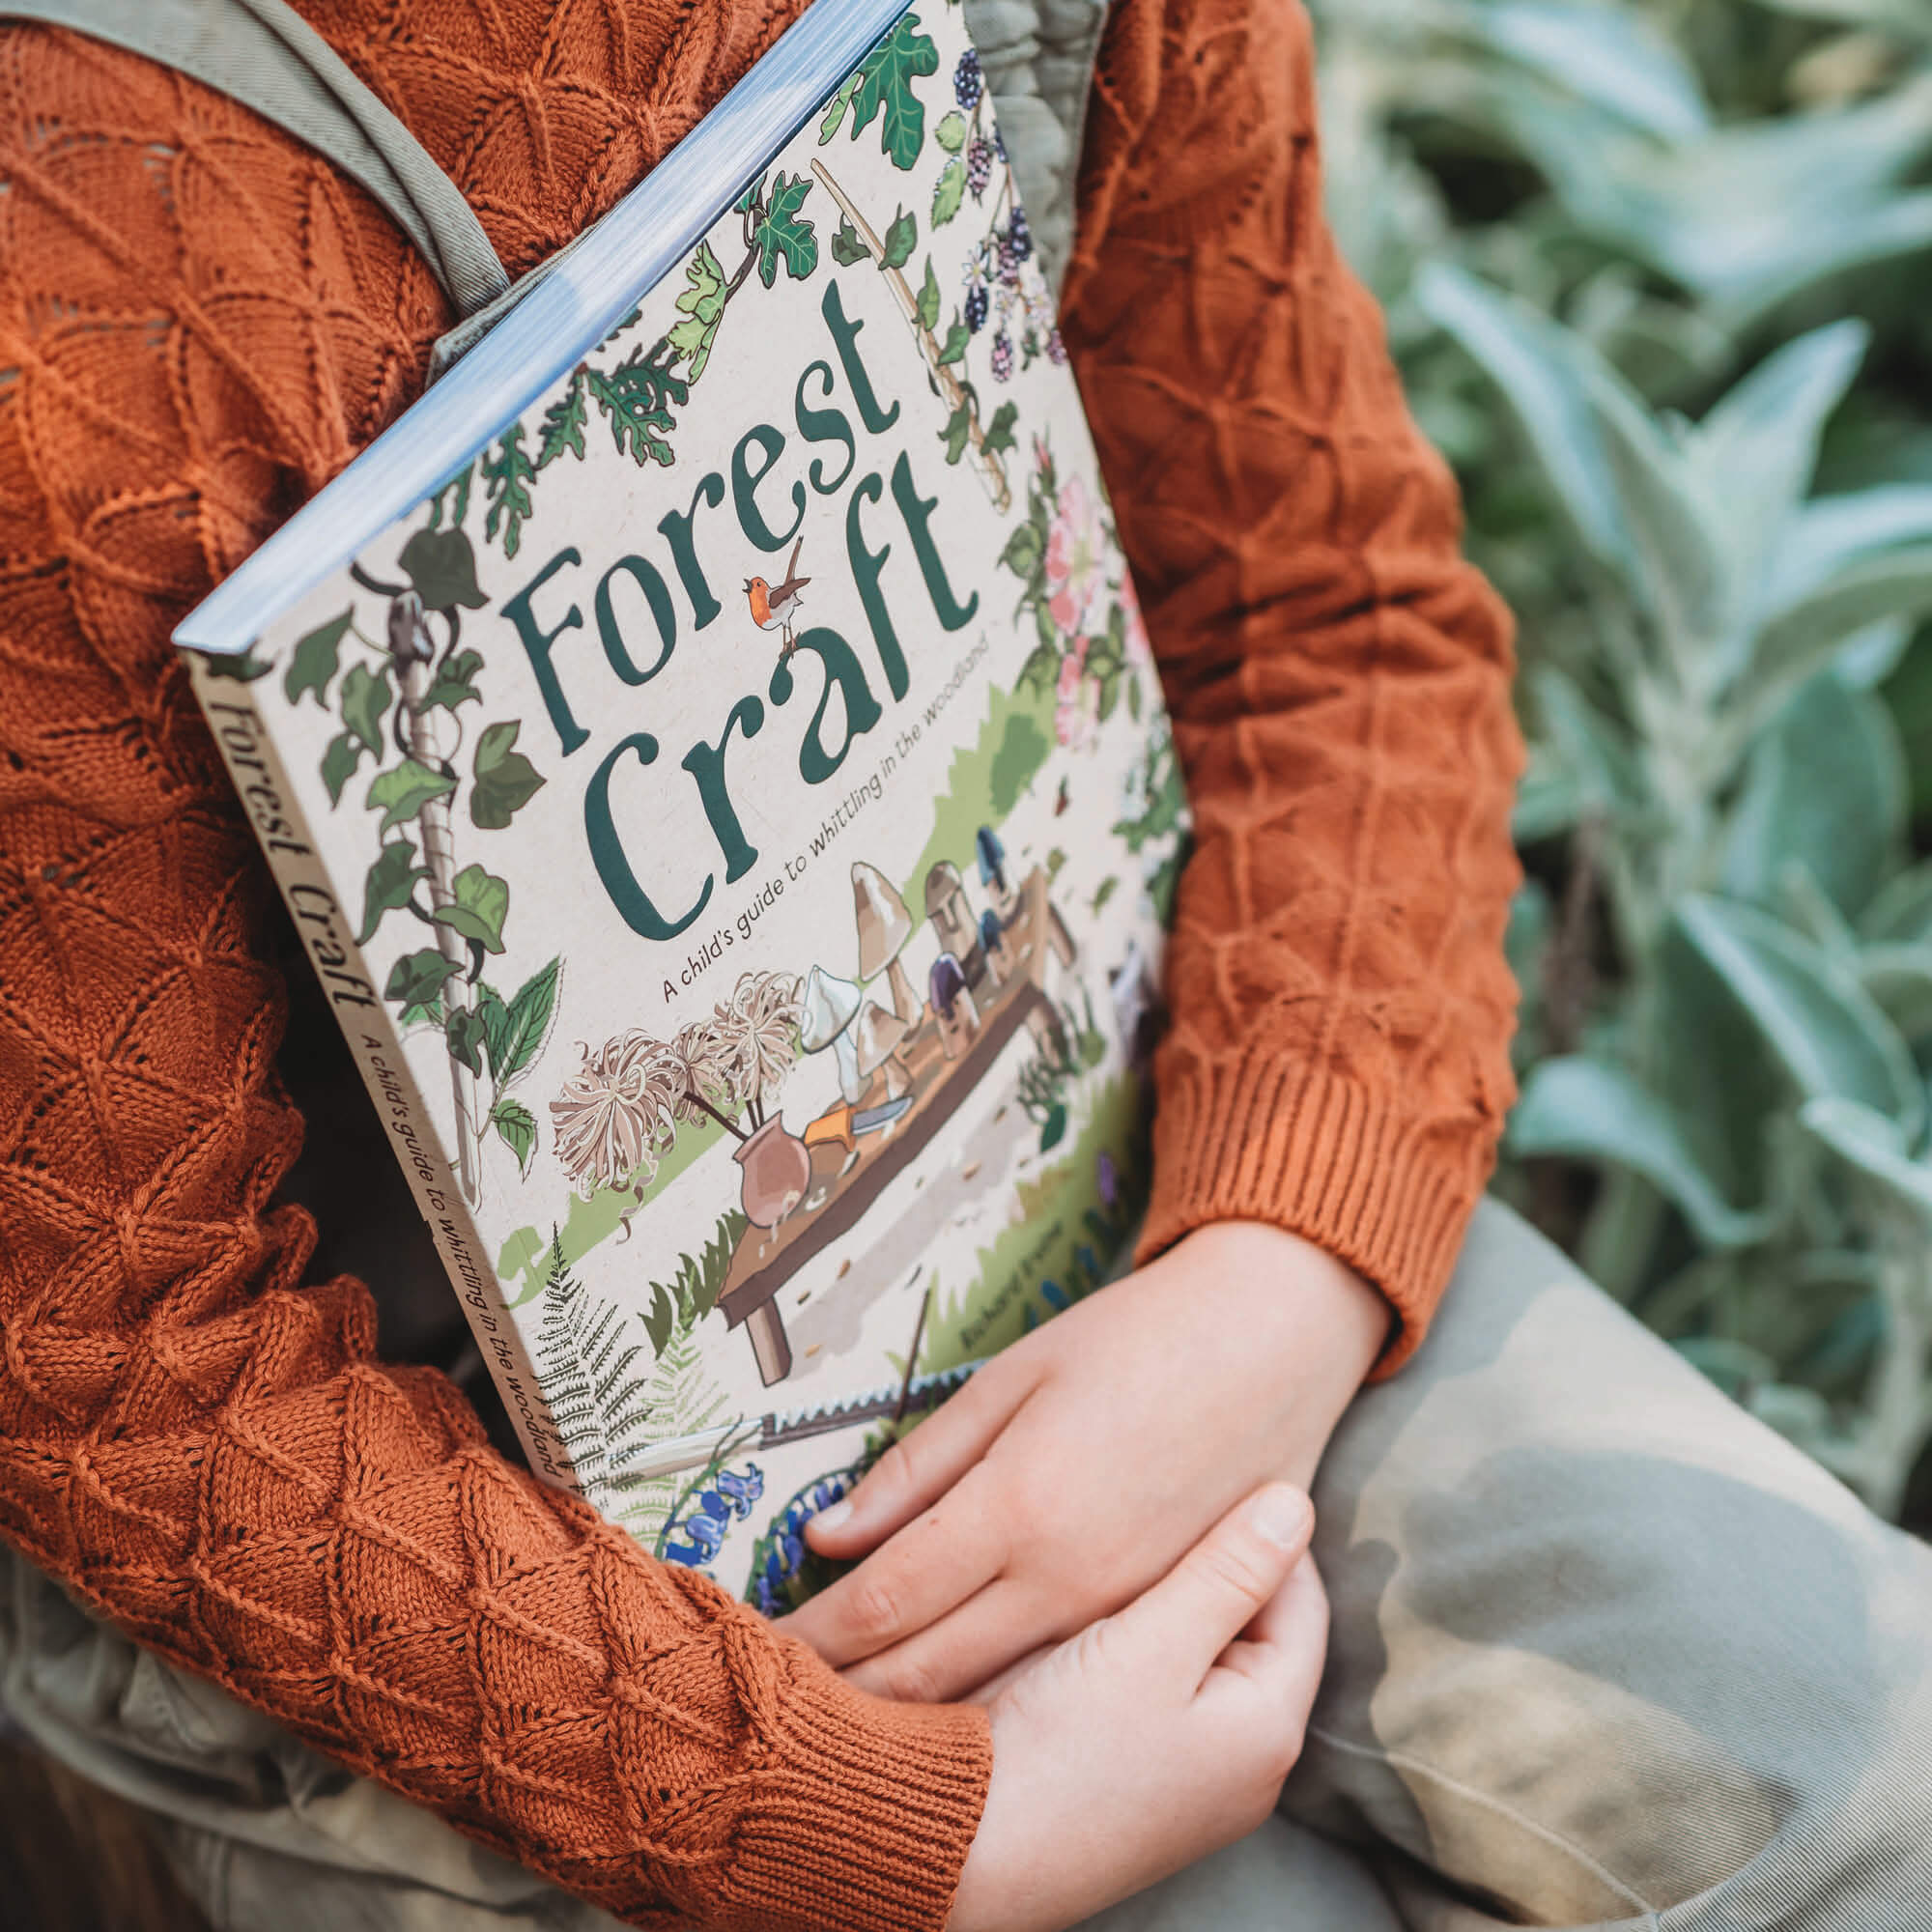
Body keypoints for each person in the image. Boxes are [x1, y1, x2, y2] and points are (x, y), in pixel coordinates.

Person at [0, 3, 1928, 1932]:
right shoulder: (76, 225)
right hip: (458, 1532)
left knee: (1853, 1766)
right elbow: (117, 1354)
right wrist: (888, 1837)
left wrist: (1277, 1270)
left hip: (1138, 1167)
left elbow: (1325, 612)